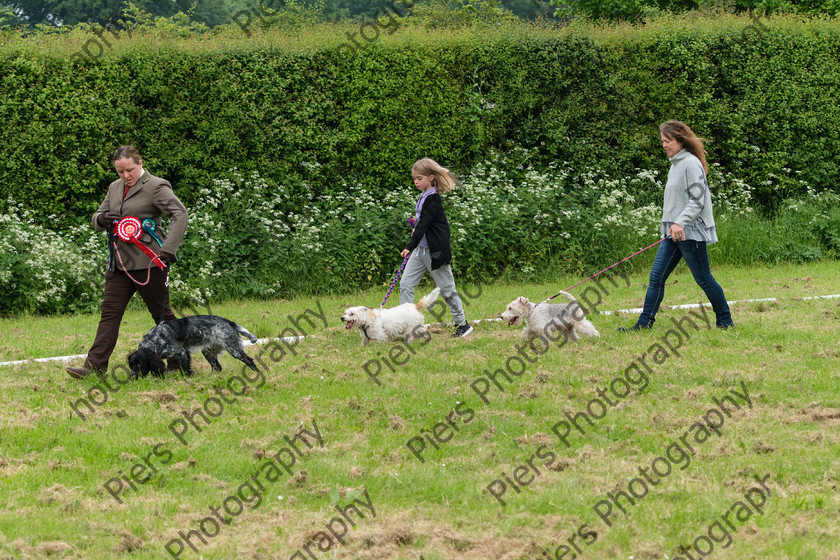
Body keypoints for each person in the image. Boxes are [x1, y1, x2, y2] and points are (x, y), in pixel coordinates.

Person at [66, 146, 189, 378]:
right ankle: (93, 367)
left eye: (129, 170)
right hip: (119, 264)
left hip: (150, 263)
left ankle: (177, 363)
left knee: (162, 317)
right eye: (120, 172)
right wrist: (101, 219)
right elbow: (96, 216)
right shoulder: (114, 187)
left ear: (140, 163)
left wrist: (168, 249)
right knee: (109, 315)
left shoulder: (156, 186)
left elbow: (180, 214)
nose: (125, 176)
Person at [620, 121, 734, 331]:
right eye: (662, 141)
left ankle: (725, 321)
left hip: (691, 232)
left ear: (681, 140)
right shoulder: (676, 164)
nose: (664, 145)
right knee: (656, 277)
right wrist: (673, 225)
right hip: (674, 233)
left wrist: (681, 222)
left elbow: (697, 199)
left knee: (704, 279)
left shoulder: (690, 163)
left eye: (668, 140)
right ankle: (644, 324)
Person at [399, 158, 472, 338]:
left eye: (420, 178)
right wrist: (415, 224)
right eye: (414, 178)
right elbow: (423, 222)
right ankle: (408, 326)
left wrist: (409, 246)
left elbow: (425, 224)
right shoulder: (423, 197)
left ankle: (462, 324)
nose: (416, 181)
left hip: (434, 253)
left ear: (431, 177)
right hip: (420, 251)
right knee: (405, 285)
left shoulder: (433, 199)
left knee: (447, 289)